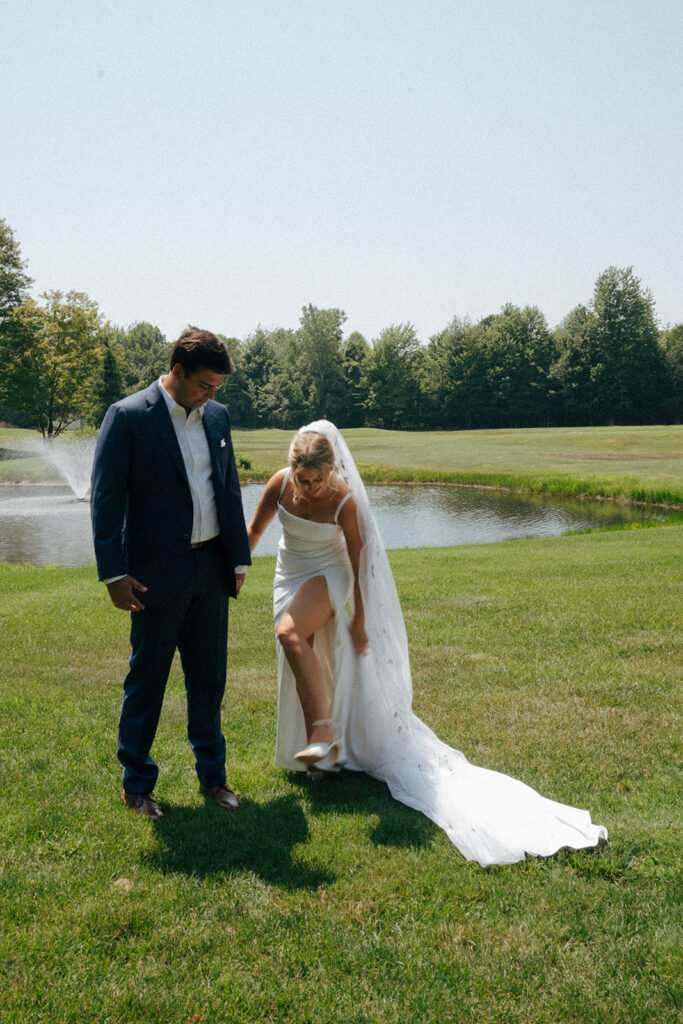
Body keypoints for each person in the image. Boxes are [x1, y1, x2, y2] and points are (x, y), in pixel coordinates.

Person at [247, 420, 608, 866]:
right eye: (304, 479)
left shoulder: (344, 501)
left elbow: (361, 563)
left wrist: (360, 619)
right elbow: (254, 531)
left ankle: (323, 732)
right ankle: (320, 756)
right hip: (289, 573)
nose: (310, 487)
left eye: (318, 479)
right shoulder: (280, 485)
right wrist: (234, 570)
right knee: (301, 649)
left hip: (330, 572)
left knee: (290, 633)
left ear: (332, 470)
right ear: (291, 469)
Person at [91, 327, 251, 820]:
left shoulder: (217, 417)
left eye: (217, 388)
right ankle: (137, 784)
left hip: (210, 569)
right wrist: (114, 574)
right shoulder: (127, 416)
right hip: (154, 576)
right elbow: (106, 500)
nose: (210, 395)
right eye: (204, 385)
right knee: (148, 680)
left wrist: (238, 557)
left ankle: (213, 778)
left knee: (209, 680)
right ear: (177, 372)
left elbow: (227, 490)